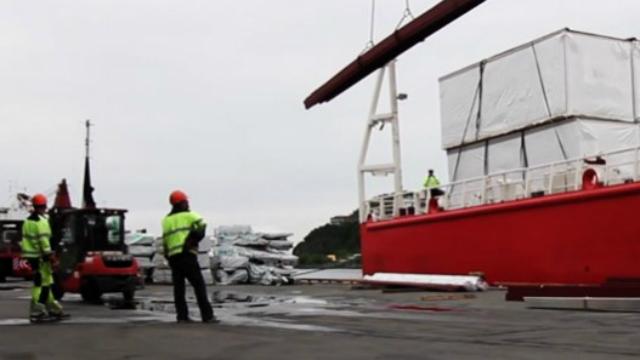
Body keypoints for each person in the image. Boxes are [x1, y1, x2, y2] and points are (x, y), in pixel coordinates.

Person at [162, 190, 217, 323]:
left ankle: (182, 316)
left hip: (174, 257)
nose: (188, 204)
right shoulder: (190, 216)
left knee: (179, 288)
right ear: (181, 203)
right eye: (186, 202)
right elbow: (202, 226)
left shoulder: (166, 220)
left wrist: (168, 256)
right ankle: (207, 316)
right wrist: (193, 240)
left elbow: (165, 241)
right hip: (187, 255)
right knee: (199, 285)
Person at [21, 194, 65, 322]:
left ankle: (54, 309)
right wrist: (52, 258)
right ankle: (37, 311)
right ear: (44, 206)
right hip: (41, 258)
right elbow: (45, 243)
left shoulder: (27, 222)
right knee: (42, 285)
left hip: (31, 257)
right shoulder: (42, 222)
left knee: (43, 283)